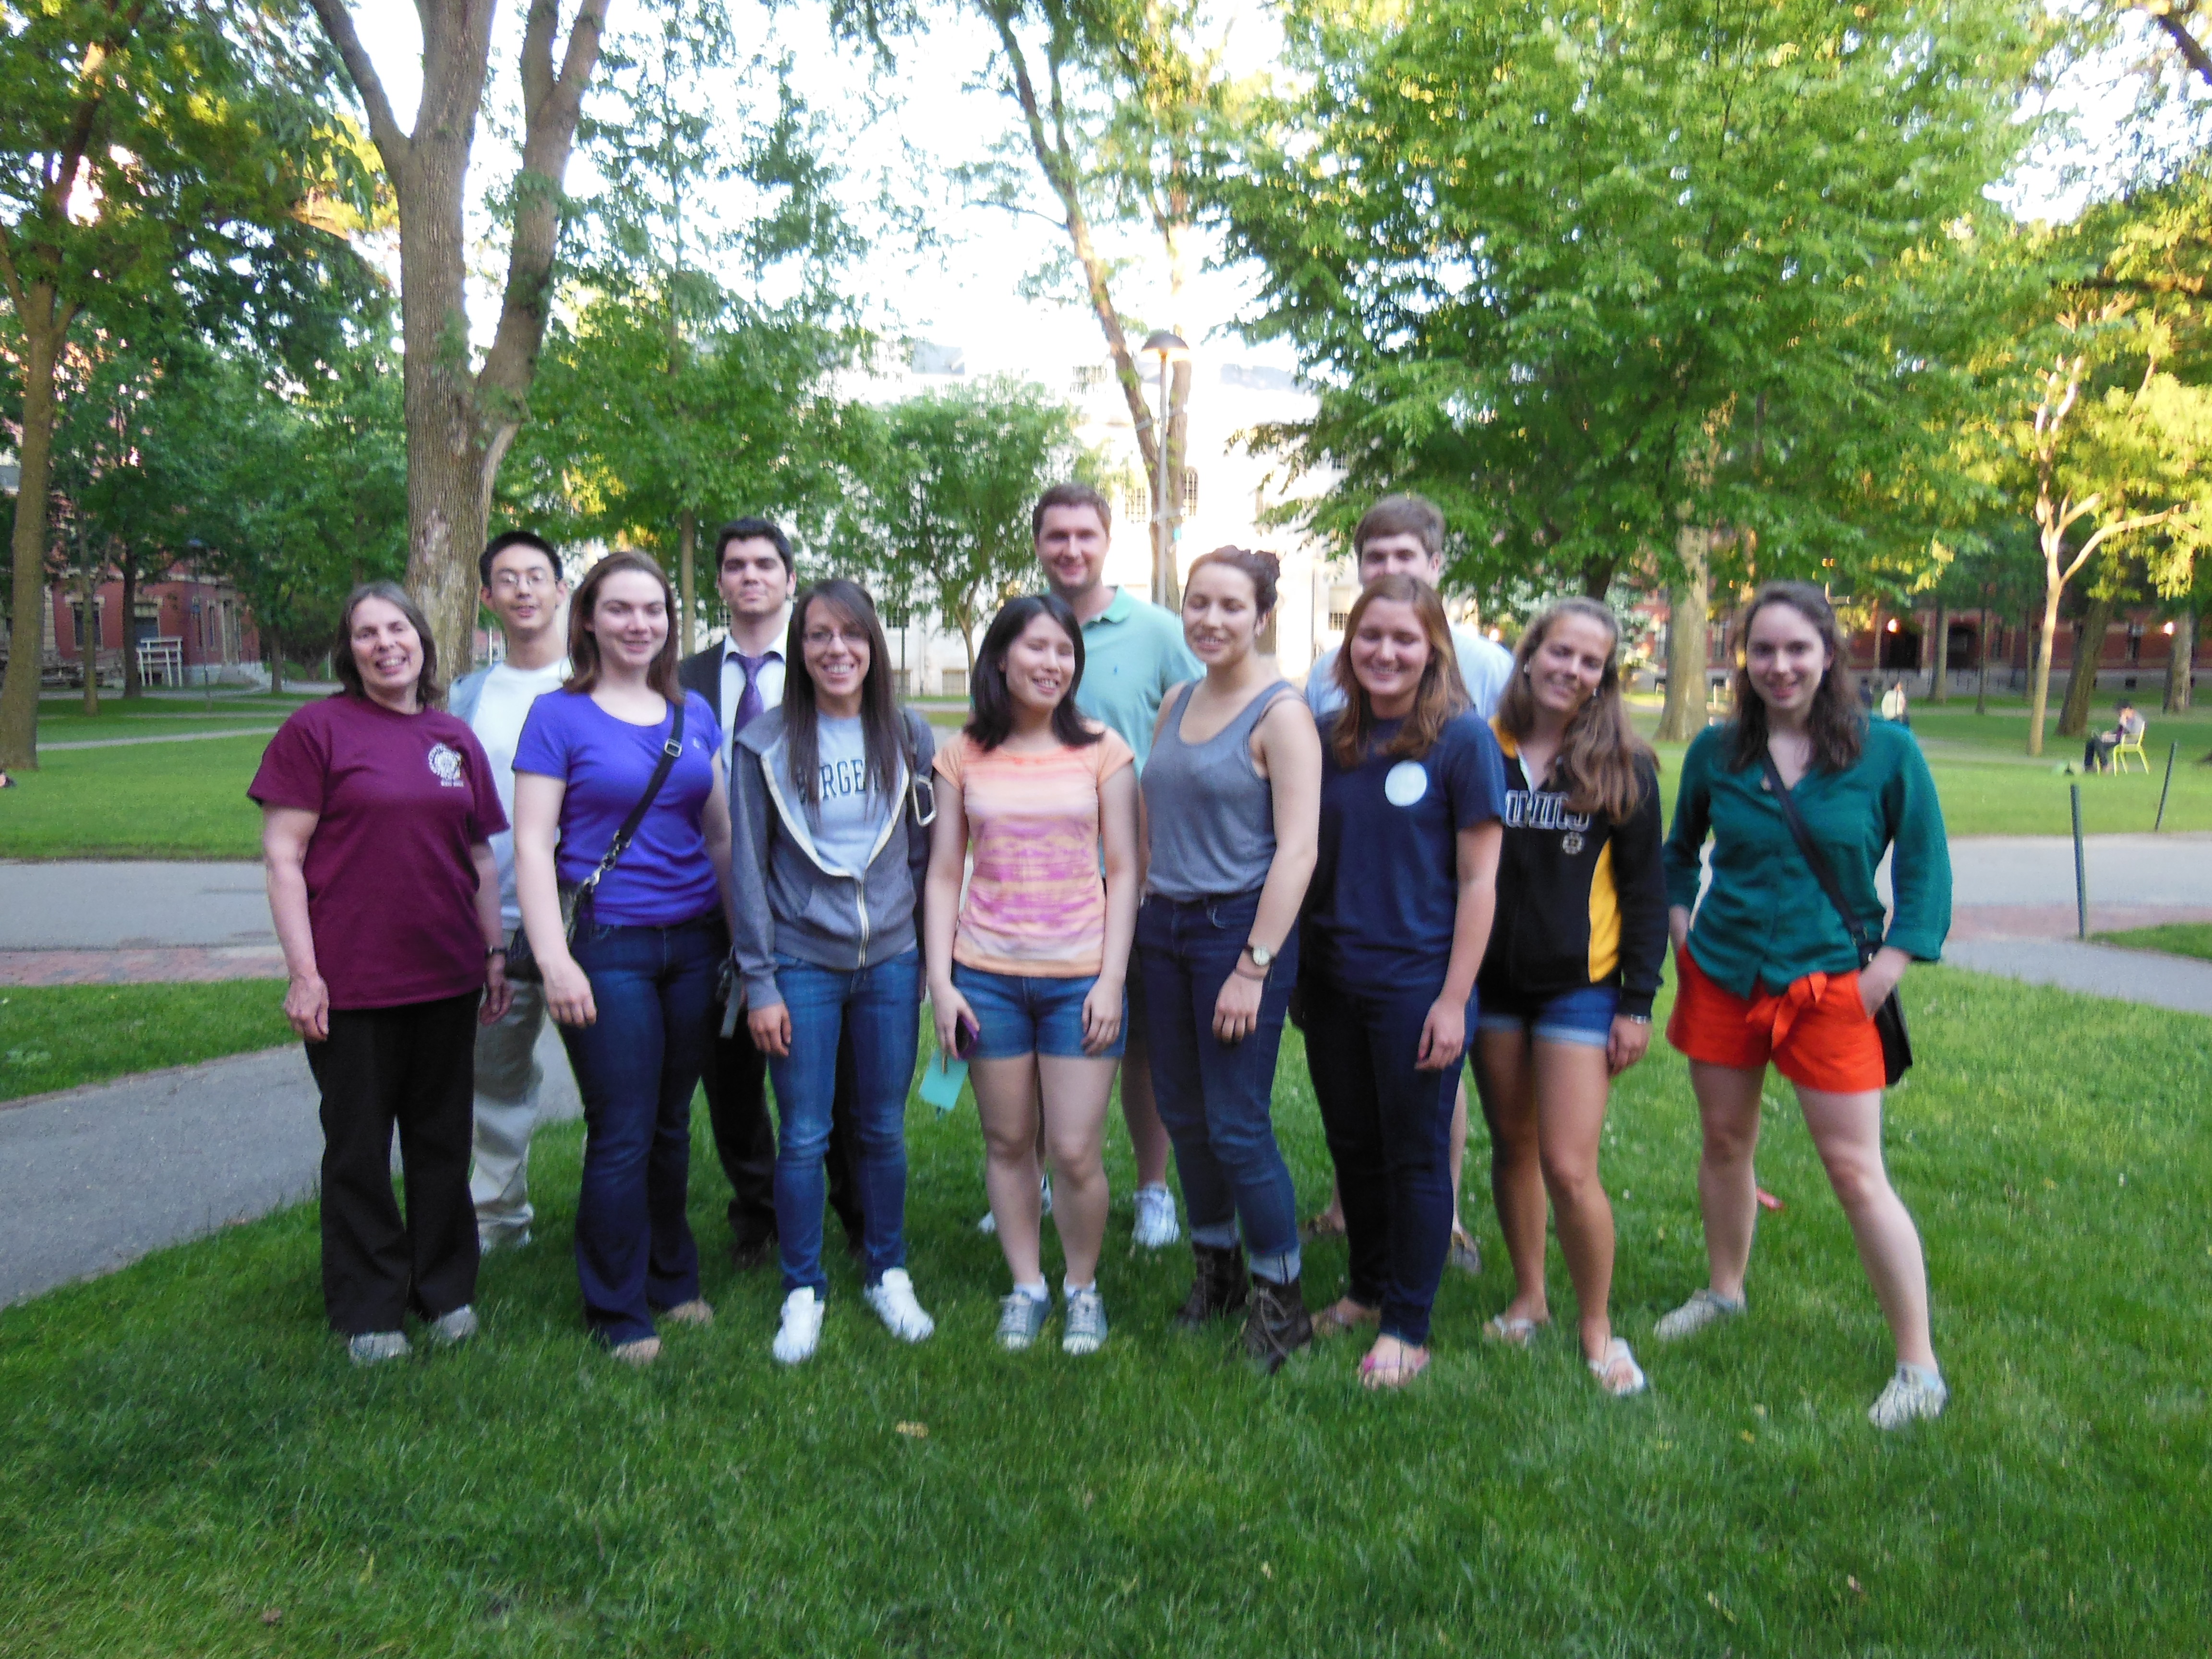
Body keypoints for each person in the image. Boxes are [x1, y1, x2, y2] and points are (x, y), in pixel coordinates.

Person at [1658, 580, 1953, 1430]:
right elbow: (1677, 853)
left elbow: (1925, 871)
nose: (1779, 666)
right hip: (1724, 975)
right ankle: (1723, 1291)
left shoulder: (1886, 753)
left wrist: (1885, 971)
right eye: (1762, 650)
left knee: (1856, 1171)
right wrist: (1680, 927)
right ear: (1742, 660)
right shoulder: (1717, 753)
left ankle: (1918, 1367)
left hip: (1830, 988)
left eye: (1796, 649)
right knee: (1724, 1142)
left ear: (1828, 654)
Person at [251, 582, 510, 1365]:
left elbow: (479, 857)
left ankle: (445, 1291)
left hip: (447, 975)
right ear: (349, 651)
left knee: (442, 1141)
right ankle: (368, 1308)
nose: (385, 644)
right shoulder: (316, 731)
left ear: (423, 642)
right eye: (366, 633)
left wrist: (493, 954)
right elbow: (283, 857)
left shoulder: (451, 738)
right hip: (353, 982)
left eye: (397, 628)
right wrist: (305, 974)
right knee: (359, 1148)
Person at [512, 551, 733, 1366]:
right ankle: (615, 1307)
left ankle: (672, 1280)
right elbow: (532, 846)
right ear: (589, 620)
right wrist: (554, 960)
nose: (639, 625)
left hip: (695, 942)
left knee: (671, 1122)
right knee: (623, 1127)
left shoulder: (692, 711)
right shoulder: (557, 716)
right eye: (620, 609)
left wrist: (742, 942)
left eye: (653, 610)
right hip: (607, 946)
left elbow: (718, 835)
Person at [1301, 576, 1505, 1388]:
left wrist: (1453, 1000)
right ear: (1348, 645)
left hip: (1417, 985)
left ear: (1433, 650)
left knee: (1414, 1154)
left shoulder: (1462, 741)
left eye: (1404, 639)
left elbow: (1480, 882)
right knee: (1353, 1145)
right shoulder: (1327, 738)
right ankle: (1365, 1289)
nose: (1384, 652)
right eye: (1369, 636)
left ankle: (1407, 1326)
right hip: (1330, 980)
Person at [733, 579, 940, 1365]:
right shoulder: (763, 743)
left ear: (873, 645)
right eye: (818, 634)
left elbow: (921, 853)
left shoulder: (909, 734)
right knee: (804, 1134)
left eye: (851, 634)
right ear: (799, 647)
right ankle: (802, 1288)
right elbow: (748, 870)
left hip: (889, 962)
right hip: (800, 963)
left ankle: (887, 1271)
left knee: (882, 1128)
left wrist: (924, 956)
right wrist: (759, 982)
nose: (836, 649)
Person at [926, 594, 1140, 1355]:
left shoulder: (1104, 751)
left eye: (1064, 651)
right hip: (986, 977)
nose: (1052, 664)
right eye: (1036, 648)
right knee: (1009, 1141)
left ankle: (1082, 1288)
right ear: (1001, 657)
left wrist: (1111, 980)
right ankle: (1028, 1287)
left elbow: (1126, 869)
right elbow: (944, 872)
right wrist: (942, 982)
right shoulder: (961, 754)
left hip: (1079, 978)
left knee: (1075, 1150)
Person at [1471, 598, 1666, 1397]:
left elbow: (1646, 893)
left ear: (1604, 676)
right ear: (1530, 654)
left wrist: (1637, 1004)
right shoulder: (1479, 748)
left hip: (1581, 990)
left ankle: (1597, 1327)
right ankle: (1529, 1298)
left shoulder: (1624, 765)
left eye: (1590, 662)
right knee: (1511, 1146)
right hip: (1491, 986)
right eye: (1561, 653)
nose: (1572, 670)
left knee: (1568, 1165)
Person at [1139, 547, 1323, 1371]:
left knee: (1237, 1125)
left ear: (1261, 617)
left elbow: (1298, 851)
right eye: (1197, 603)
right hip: (1165, 929)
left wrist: (1253, 967)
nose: (1210, 620)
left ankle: (1283, 1304)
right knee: (1183, 1117)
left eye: (1230, 606)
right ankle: (1215, 1272)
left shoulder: (1281, 715)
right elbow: (1154, 814)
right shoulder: (1176, 701)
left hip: (1236, 933)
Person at [677, 518, 865, 1270]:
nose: (749, 575)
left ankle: (854, 1210)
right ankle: (759, 1210)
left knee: (835, 1078)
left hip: (807, 910)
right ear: (721, 582)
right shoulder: (683, 679)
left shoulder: (824, 661)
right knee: (729, 1080)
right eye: (734, 565)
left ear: (790, 579)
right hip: (707, 902)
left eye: (765, 563)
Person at [1027, 481, 1200, 1249]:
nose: (1071, 549)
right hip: (1040, 880)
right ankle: (1035, 1177)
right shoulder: (1023, 626)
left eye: (1084, 536)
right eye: (1056, 536)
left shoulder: (1160, 632)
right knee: (1041, 1032)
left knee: (1145, 1040)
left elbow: (1198, 731)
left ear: (1106, 542)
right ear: (1039, 544)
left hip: (1141, 873)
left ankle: (1153, 1189)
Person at [447, 530, 569, 1253]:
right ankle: (497, 1217)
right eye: (507, 579)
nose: (524, 590)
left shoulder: (594, 685)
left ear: (561, 590)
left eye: (537, 576)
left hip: (589, 923)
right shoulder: (466, 697)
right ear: (487, 597)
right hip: (497, 924)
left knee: (620, 1085)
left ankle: (625, 1221)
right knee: (494, 1078)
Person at [2084, 699, 2145, 772]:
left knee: (2098, 742)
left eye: (2121, 711)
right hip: (2119, 738)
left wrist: (2123, 725)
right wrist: (2110, 733)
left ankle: (2105, 765)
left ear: (2128, 709)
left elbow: (2133, 734)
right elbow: (2119, 731)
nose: (2120, 713)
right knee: (2092, 741)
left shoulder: (2137, 719)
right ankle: (2089, 766)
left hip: (2128, 740)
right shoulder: (2125, 719)